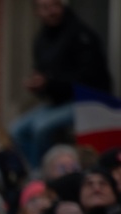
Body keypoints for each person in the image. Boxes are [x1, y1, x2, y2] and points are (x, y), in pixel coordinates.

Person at [11, 0, 112, 168]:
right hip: (56, 103)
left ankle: (44, 174)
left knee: (41, 128)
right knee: (16, 129)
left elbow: (90, 77)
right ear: (36, 12)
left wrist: (50, 83)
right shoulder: (41, 39)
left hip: (85, 101)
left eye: (55, 5)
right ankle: (34, 171)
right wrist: (38, 86)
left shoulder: (81, 34)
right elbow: (44, 77)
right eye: (45, 7)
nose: (51, 11)